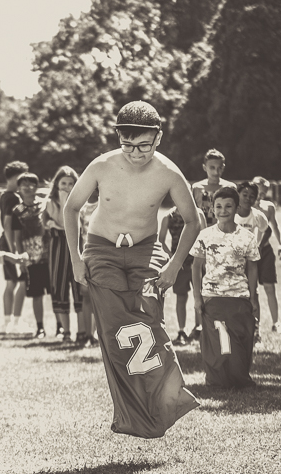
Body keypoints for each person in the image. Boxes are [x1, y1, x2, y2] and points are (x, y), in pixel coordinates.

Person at [63, 100, 200, 439]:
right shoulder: (102, 165)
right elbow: (71, 208)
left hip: (146, 250)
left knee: (149, 322)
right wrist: (76, 259)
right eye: (128, 145)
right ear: (118, 138)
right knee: (114, 331)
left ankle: (167, 400)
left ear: (159, 138)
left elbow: (193, 221)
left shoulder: (168, 172)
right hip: (101, 249)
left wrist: (174, 265)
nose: (136, 153)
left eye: (144, 145)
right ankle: (131, 415)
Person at [190, 187, 260, 389]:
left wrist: (253, 297)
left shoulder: (247, 237)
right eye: (218, 206)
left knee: (240, 340)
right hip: (212, 296)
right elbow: (196, 266)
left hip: (239, 296)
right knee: (217, 341)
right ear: (212, 209)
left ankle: (240, 378)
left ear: (237, 208)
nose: (223, 210)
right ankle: (216, 381)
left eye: (228, 206)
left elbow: (253, 267)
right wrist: (197, 297)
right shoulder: (205, 235)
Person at [42, 166, 84, 341]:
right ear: (57, 184)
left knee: (80, 287)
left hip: (77, 247)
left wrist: (69, 200)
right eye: (63, 183)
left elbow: (73, 226)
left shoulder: (81, 202)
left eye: (70, 183)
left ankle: (82, 332)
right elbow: (62, 222)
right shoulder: (50, 203)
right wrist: (63, 199)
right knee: (59, 287)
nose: (67, 187)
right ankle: (66, 332)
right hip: (58, 247)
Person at [159, 203, 207, 345]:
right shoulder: (168, 216)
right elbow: (161, 241)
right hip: (180, 265)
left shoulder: (198, 213)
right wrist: (174, 259)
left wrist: (202, 259)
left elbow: (205, 237)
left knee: (200, 295)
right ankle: (181, 331)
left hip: (197, 263)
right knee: (181, 297)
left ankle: (200, 328)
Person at [12, 172, 51, 338]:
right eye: (24, 185)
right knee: (36, 294)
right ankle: (40, 327)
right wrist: (21, 257)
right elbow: (17, 237)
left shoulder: (45, 205)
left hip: (49, 255)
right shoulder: (17, 211)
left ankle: (61, 327)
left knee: (55, 292)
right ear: (19, 189)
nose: (28, 188)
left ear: (36, 186)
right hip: (31, 258)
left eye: (31, 184)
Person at [235, 181, 272, 341]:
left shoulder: (257, 215)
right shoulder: (231, 213)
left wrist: (259, 246)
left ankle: (256, 331)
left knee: (253, 294)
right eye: (244, 195)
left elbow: (267, 230)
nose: (248, 198)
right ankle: (236, 329)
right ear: (238, 195)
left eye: (252, 196)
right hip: (231, 262)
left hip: (249, 263)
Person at [251, 177, 281, 334]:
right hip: (249, 254)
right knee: (252, 292)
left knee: (270, 287)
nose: (260, 196)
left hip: (265, 252)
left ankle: (276, 322)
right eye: (258, 192)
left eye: (263, 193)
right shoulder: (243, 207)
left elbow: (275, 227)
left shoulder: (269, 207)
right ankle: (255, 327)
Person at [0, 160, 29, 334]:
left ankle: (8, 321)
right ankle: (14, 322)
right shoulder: (13, 198)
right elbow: (7, 224)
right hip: (12, 242)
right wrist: (13, 251)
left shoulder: (5, 195)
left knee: (11, 282)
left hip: (8, 242)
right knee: (21, 282)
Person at [77, 189, 100, 347]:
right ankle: (88, 335)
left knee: (102, 297)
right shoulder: (81, 209)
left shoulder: (107, 205)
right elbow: (78, 236)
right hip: (87, 257)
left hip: (104, 256)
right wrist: (80, 259)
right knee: (86, 296)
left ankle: (99, 334)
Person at [192, 149, 236, 227]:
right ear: (204, 167)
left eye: (219, 168)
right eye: (212, 168)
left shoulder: (230, 187)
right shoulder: (197, 188)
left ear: (223, 167)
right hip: (203, 231)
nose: (216, 172)